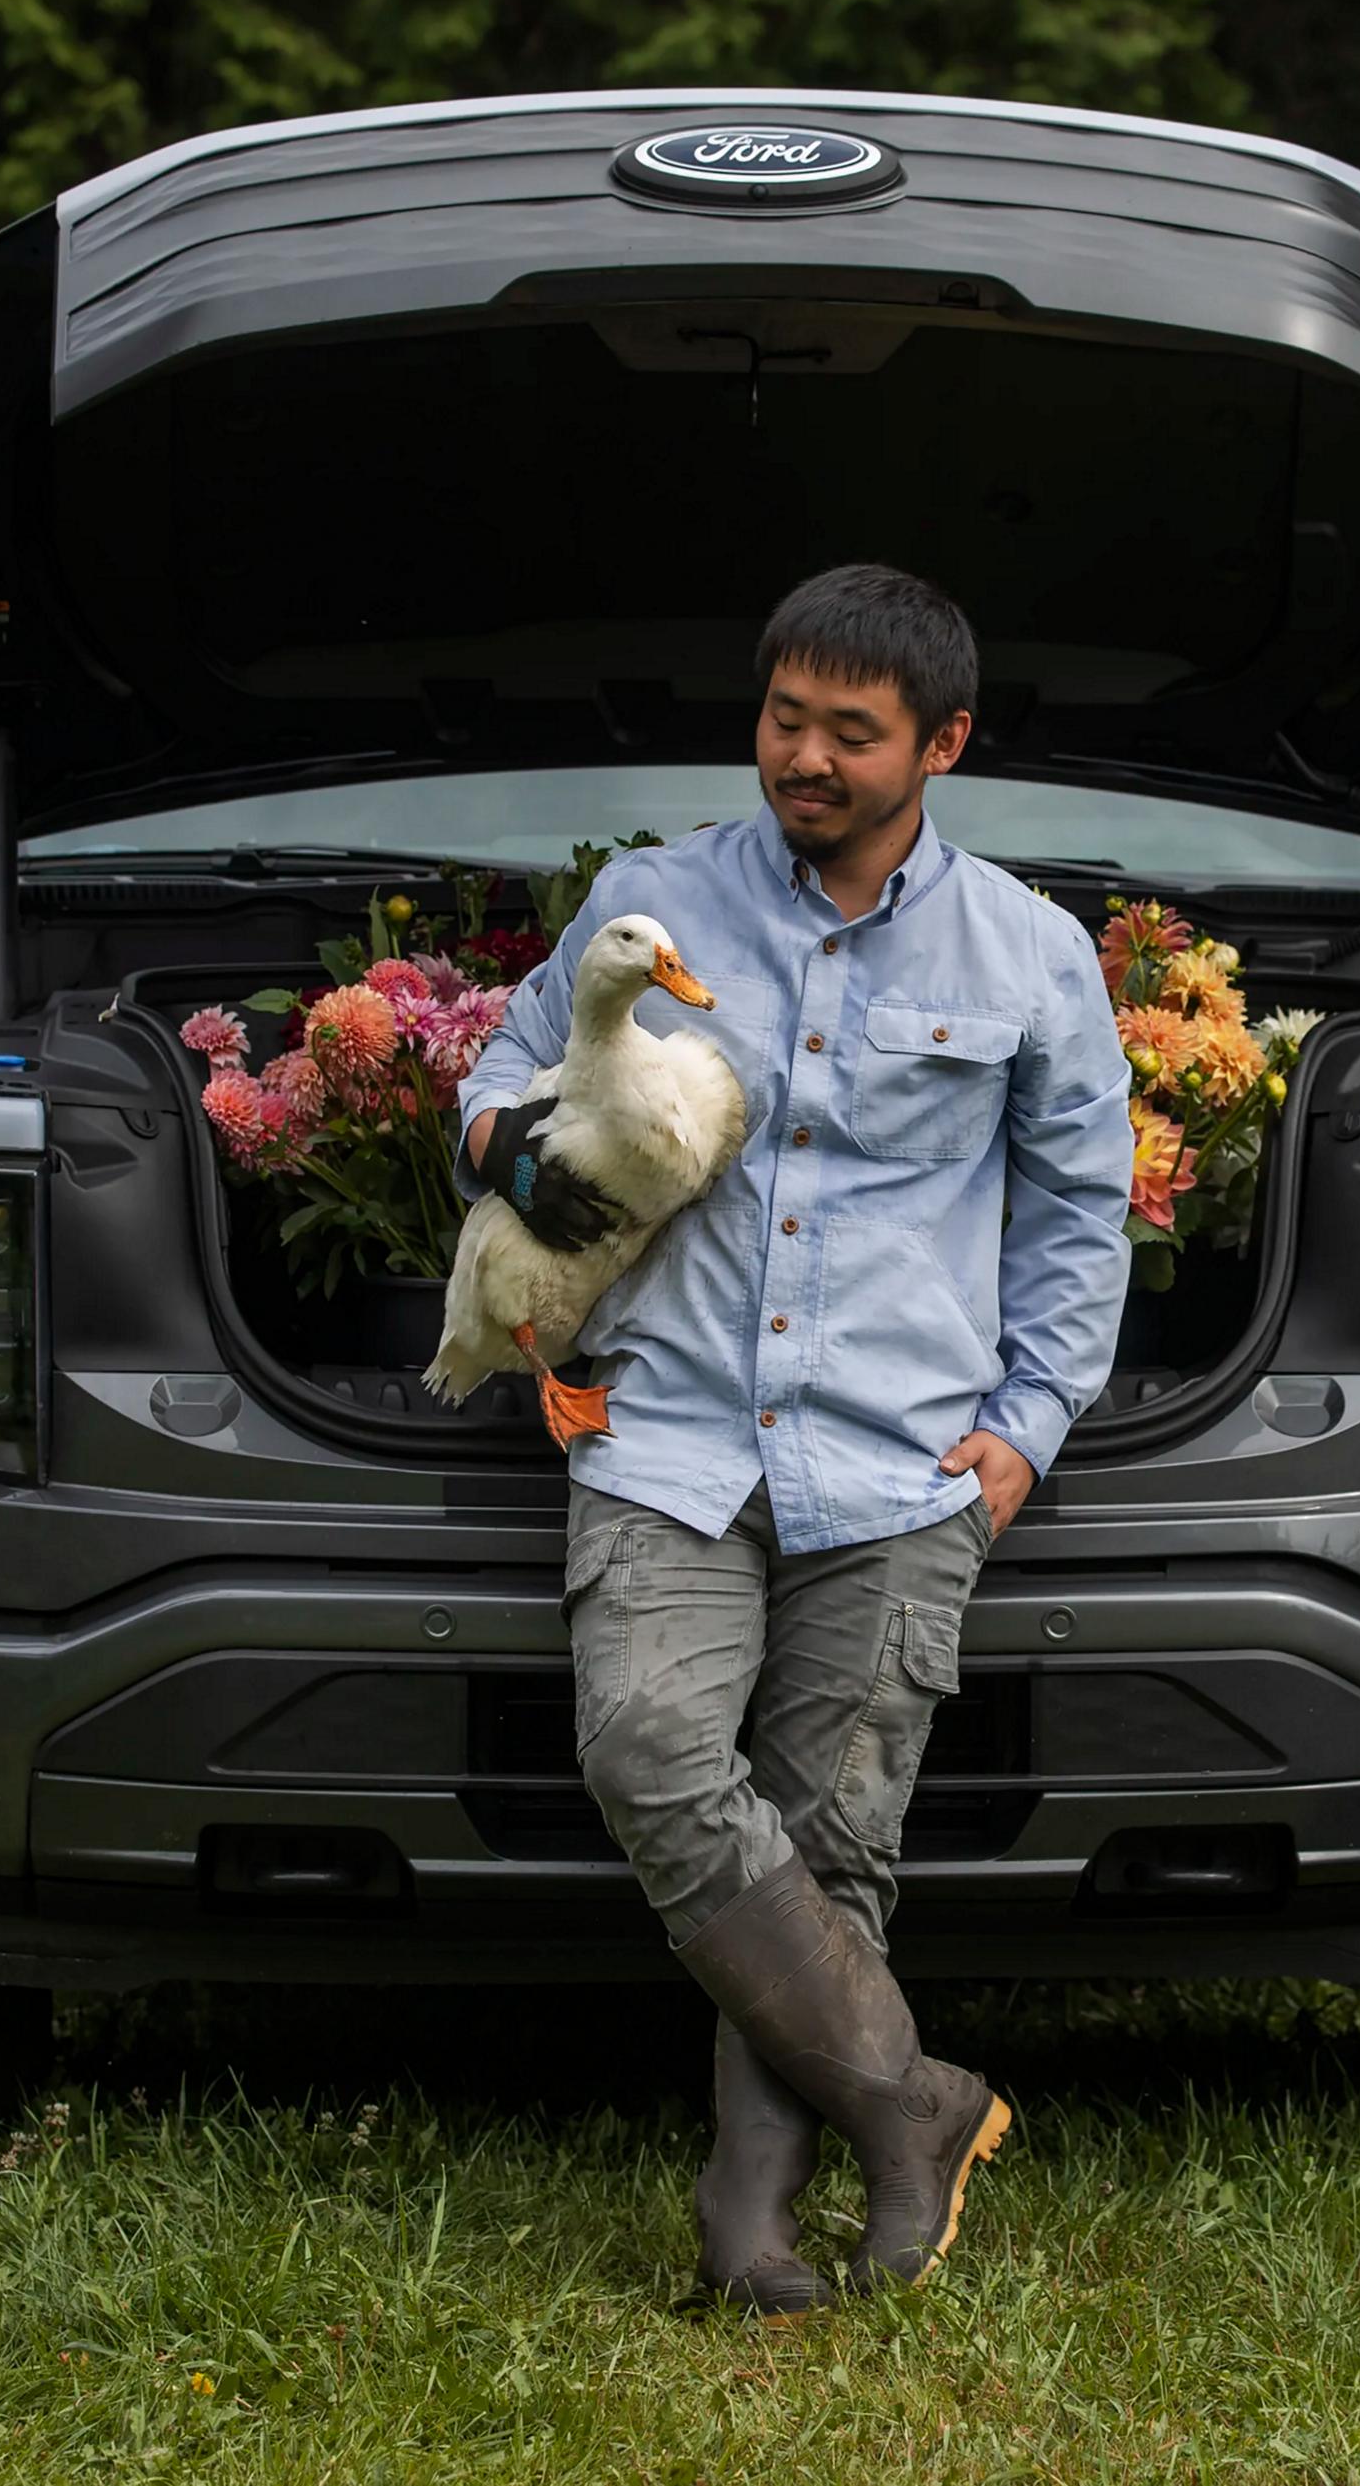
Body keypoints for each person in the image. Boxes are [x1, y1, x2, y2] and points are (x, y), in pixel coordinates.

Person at [456, 563, 1134, 2312]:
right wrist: (497, 1148)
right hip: (670, 1431)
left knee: (837, 1846)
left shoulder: (1032, 956)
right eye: (784, 719)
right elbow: (513, 1066)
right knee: (648, 1747)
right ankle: (914, 2102)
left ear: (945, 745)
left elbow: (1079, 1214)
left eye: (852, 732)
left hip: (901, 1461)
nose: (806, 758)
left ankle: (749, 2229)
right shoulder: (654, 899)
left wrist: (1025, 1429)